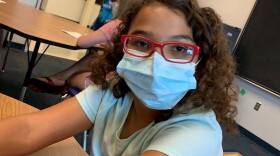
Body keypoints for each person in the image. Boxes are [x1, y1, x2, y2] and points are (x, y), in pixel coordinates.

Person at [0, 0, 239, 155]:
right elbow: (29, 129)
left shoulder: (197, 132)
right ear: (123, 47)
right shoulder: (113, 92)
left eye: (179, 48)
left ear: (201, 61)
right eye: (142, 43)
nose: (156, 61)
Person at [27, 0, 135, 94]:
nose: (114, 4)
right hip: (124, 84)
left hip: (107, 86)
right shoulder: (134, 31)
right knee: (95, 57)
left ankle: (62, 82)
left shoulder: (118, 24)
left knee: (78, 72)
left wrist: (85, 37)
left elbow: (82, 42)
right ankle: (59, 79)